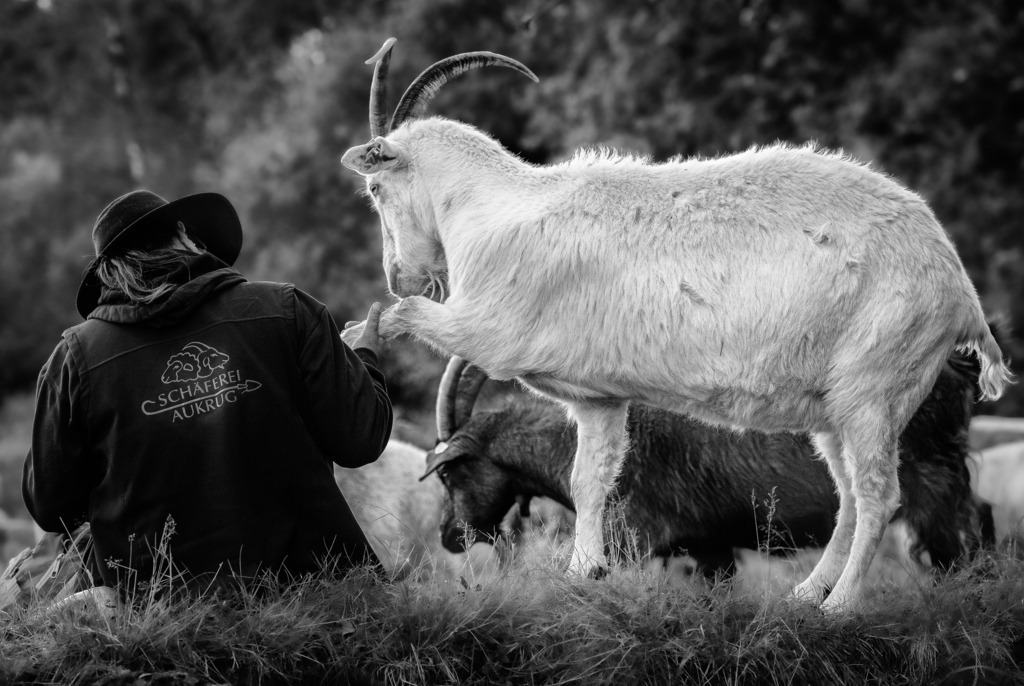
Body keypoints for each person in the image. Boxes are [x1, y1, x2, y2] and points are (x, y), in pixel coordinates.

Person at [22, 189, 393, 594]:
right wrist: (363, 356)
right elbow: (361, 440)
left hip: (158, 611)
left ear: (109, 272)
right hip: (315, 590)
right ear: (184, 234)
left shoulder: (74, 359)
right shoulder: (287, 309)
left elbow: (50, 506)